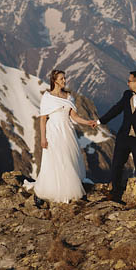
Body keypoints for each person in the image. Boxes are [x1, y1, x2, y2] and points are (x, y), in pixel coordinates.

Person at [97, 70, 136, 216]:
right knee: (117, 165)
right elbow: (116, 109)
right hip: (124, 137)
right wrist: (100, 121)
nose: (127, 83)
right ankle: (115, 193)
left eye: (130, 81)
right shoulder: (127, 95)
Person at [33, 69, 97, 203]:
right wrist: (43, 138)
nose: (64, 81)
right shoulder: (48, 97)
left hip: (67, 130)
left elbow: (74, 116)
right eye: (61, 78)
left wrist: (88, 122)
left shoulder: (69, 96)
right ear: (54, 80)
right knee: (55, 160)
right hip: (53, 131)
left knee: (68, 158)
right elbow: (43, 119)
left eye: (64, 78)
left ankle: (71, 190)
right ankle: (45, 192)